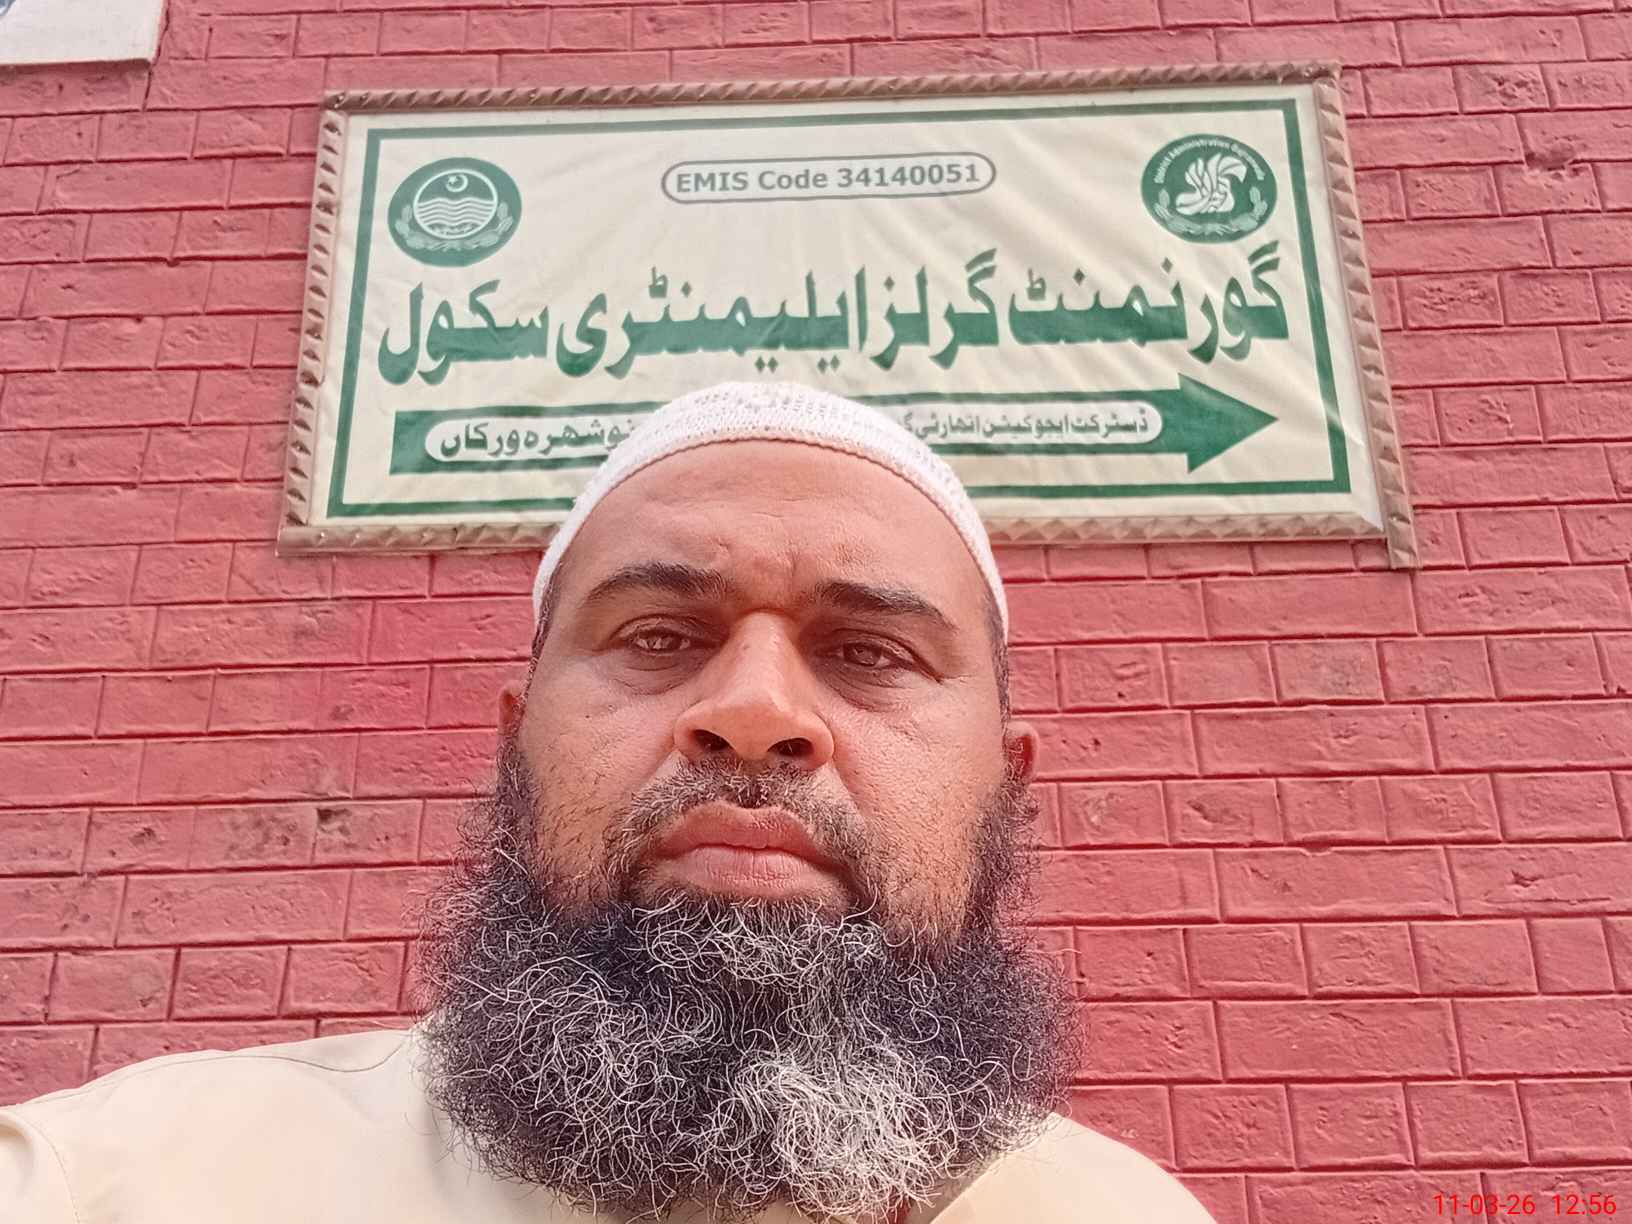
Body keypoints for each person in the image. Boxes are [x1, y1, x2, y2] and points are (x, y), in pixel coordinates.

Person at [0, 382, 1215, 1223]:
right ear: (514, 748)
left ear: (1006, 787)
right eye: (657, 636)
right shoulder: (112, 1185)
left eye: (870, 653)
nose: (754, 711)